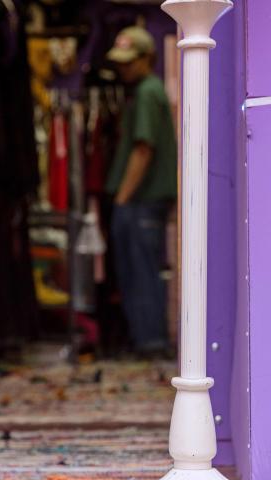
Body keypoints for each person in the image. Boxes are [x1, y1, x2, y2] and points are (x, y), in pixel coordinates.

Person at [105, 26, 177, 358]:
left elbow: (143, 148)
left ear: (148, 58)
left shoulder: (147, 92)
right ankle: (148, 340)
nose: (124, 68)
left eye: (130, 61)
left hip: (141, 200)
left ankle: (150, 342)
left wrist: (122, 198)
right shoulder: (146, 90)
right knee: (141, 269)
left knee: (141, 272)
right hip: (143, 199)